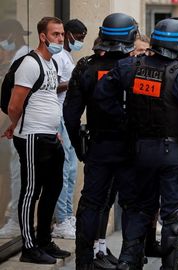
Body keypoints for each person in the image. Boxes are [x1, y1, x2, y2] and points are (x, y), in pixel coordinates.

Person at [95, 17, 178, 270]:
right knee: (172, 216)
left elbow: (102, 94)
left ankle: (127, 262)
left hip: (138, 152)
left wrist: (123, 119)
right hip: (172, 154)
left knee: (137, 209)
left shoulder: (129, 66)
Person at [63, 13, 138, 269]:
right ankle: (129, 260)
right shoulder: (137, 67)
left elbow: (70, 115)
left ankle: (84, 261)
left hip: (98, 146)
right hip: (131, 148)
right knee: (132, 205)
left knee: (91, 203)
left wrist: (80, 146)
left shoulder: (85, 66)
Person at [2, 16, 71, 264]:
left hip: (50, 136)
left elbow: (47, 100)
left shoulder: (51, 63)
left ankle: (44, 240)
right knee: (31, 191)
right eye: (55, 34)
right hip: (31, 136)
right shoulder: (30, 64)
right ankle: (28, 248)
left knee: (53, 188)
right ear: (43, 36)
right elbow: (14, 104)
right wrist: (16, 125)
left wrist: (54, 131)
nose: (60, 39)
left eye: (62, 34)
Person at [51, 18, 87, 240]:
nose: (79, 41)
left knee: (72, 170)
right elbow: (53, 86)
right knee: (63, 171)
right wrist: (75, 81)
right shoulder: (57, 56)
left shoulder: (67, 55)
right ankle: (61, 220)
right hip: (58, 117)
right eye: (79, 38)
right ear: (70, 34)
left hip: (67, 117)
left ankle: (67, 215)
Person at [0, 18, 31, 239]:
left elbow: (15, 100)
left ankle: (16, 222)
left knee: (18, 173)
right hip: (19, 123)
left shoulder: (22, 57)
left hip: (19, 124)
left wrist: (10, 122)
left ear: (11, 36)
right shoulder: (19, 55)